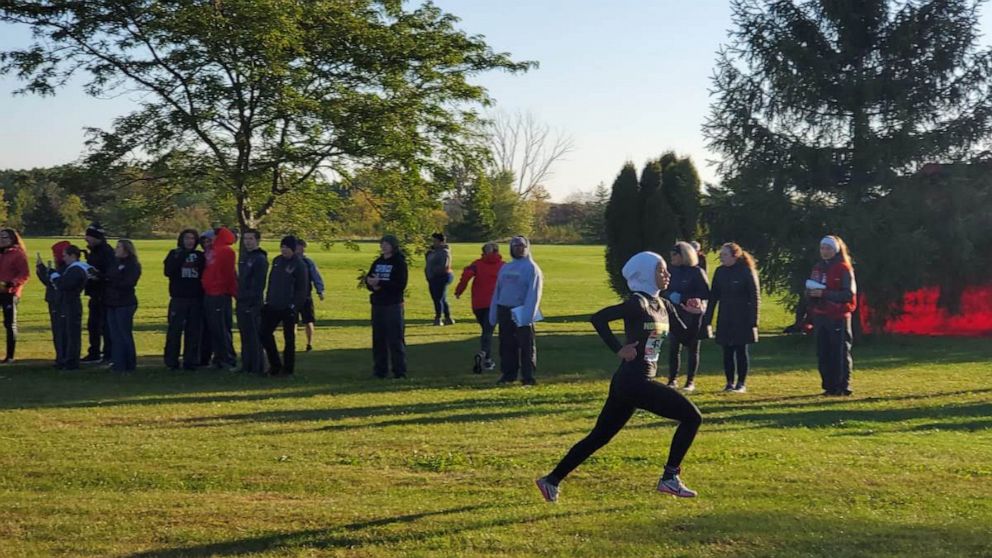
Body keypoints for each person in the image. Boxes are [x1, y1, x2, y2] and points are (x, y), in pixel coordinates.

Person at [535, 251, 702, 503]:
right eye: (661, 270)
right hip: (635, 381)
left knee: (600, 436)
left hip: (627, 382)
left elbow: (689, 340)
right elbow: (599, 319)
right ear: (646, 274)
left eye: (666, 270)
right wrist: (618, 349)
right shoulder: (638, 303)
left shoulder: (664, 305)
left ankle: (551, 480)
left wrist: (696, 315)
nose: (667, 274)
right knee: (692, 417)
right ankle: (669, 478)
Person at [702, 242, 760, 393]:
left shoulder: (746, 271)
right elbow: (713, 296)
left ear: (735, 256)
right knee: (726, 350)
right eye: (721, 255)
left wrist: (754, 321)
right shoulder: (720, 272)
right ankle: (729, 382)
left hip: (742, 317)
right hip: (725, 316)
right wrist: (707, 320)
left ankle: (741, 383)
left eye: (725, 255)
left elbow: (755, 297)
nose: (722, 258)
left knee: (741, 349)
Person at [807, 235, 857, 396]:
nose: (824, 251)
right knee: (823, 352)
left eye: (828, 248)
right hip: (821, 315)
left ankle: (842, 385)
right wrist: (810, 293)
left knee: (839, 352)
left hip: (838, 315)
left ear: (835, 250)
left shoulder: (843, 268)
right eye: (822, 248)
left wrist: (824, 293)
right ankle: (828, 386)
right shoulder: (818, 267)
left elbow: (848, 294)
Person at [489, 236, 543, 386]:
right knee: (506, 344)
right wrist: (494, 312)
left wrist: (528, 315)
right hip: (504, 310)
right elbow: (498, 291)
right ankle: (508, 374)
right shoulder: (506, 267)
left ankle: (528, 376)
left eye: (521, 246)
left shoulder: (531, 268)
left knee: (525, 345)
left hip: (521, 310)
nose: (519, 248)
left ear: (527, 248)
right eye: (515, 246)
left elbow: (534, 293)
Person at [260, 236, 308, 376]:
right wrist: (268, 300)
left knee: (289, 339)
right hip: (273, 305)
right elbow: (272, 282)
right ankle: (275, 365)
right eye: (282, 247)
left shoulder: (299, 264)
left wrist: (294, 306)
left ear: (293, 249)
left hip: (289, 307)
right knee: (264, 333)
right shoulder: (277, 261)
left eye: (287, 247)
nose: (284, 250)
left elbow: (302, 289)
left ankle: (288, 369)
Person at [665, 241, 710, 391]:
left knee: (692, 348)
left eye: (674, 255)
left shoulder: (697, 272)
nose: (671, 258)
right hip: (675, 314)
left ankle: (690, 381)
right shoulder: (671, 270)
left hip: (692, 315)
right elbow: (663, 289)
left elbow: (704, 293)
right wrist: (670, 295)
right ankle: (672, 379)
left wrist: (684, 297)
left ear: (683, 256)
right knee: (674, 347)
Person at [454, 241, 504, 373]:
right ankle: (485, 357)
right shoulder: (503, 266)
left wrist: (459, 291)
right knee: (487, 332)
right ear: (497, 252)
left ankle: (485, 355)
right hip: (494, 304)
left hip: (478, 304)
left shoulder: (476, 264)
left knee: (486, 330)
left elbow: (466, 277)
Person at [365, 234, 408, 379]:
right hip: (378, 304)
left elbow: (400, 285)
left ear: (393, 246)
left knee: (395, 339)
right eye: (382, 243)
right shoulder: (378, 262)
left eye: (386, 244)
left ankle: (399, 371)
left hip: (393, 305)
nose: (383, 246)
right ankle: (380, 370)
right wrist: (371, 284)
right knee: (378, 339)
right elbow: (369, 277)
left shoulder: (399, 263)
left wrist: (380, 284)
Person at [163, 229, 206, 370]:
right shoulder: (174, 254)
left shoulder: (200, 256)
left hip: (196, 298)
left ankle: (191, 361)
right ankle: (171, 360)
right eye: (187, 238)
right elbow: (168, 272)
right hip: (178, 298)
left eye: (192, 238)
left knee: (194, 331)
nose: (189, 241)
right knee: (174, 331)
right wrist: (181, 256)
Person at [201, 226, 238, 370]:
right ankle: (218, 358)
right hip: (211, 293)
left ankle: (228, 359)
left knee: (221, 328)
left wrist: (233, 292)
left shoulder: (226, 251)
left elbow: (229, 275)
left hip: (220, 294)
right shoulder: (214, 252)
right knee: (214, 328)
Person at [105, 239, 142, 372]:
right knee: (115, 335)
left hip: (125, 303)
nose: (116, 249)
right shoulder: (115, 263)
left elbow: (128, 283)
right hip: (112, 302)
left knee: (124, 334)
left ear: (126, 250)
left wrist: (111, 281)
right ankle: (118, 364)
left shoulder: (133, 265)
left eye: (119, 247)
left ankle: (129, 364)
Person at [82, 223, 115, 364]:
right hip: (95, 293)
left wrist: (98, 276)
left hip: (104, 294)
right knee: (93, 325)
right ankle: (95, 352)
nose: (86, 238)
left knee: (104, 325)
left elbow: (110, 274)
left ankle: (108, 354)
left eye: (88, 235)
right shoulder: (95, 251)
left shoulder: (106, 252)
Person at [52, 245, 89, 370]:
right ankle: (68, 360)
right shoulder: (77, 268)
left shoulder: (76, 269)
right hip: (70, 302)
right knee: (69, 331)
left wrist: (54, 276)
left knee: (72, 333)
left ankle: (71, 362)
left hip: (71, 303)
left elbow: (64, 284)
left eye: (65, 256)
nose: (63, 259)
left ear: (72, 256)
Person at [236, 229, 268, 374]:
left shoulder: (260, 259)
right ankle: (246, 365)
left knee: (254, 336)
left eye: (250, 239)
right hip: (241, 301)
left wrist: (251, 302)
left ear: (257, 240)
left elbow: (259, 284)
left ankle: (257, 367)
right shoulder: (245, 257)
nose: (247, 242)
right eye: (245, 239)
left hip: (253, 303)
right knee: (245, 334)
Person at [36, 241, 71, 368]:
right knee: (60, 331)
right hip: (56, 301)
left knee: (60, 331)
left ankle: (62, 358)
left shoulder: (64, 269)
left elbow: (52, 283)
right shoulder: (65, 268)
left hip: (58, 302)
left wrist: (41, 269)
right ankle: (61, 357)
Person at [0, 229, 29, 364]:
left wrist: (12, 283)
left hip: (10, 292)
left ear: (12, 238)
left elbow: (24, 274)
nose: (2, 239)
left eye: (5, 237)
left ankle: (10, 356)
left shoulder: (18, 254)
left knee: (9, 323)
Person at [295, 239, 325, 352]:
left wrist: (320, 290)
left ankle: (309, 343)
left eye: (302, 247)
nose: (300, 249)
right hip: (291, 296)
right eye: (298, 246)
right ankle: (292, 342)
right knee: (292, 321)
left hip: (306, 295)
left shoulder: (308, 262)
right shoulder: (288, 261)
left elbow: (316, 276)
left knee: (308, 321)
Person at [425, 232, 454, 326]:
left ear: (441, 242)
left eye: (435, 241)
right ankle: (448, 317)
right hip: (432, 277)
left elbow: (443, 266)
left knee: (438, 298)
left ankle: (438, 318)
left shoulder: (444, 252)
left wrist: (433, 273)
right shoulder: (433, 251)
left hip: (441, 277)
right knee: (441, 298)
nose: (433, 243)